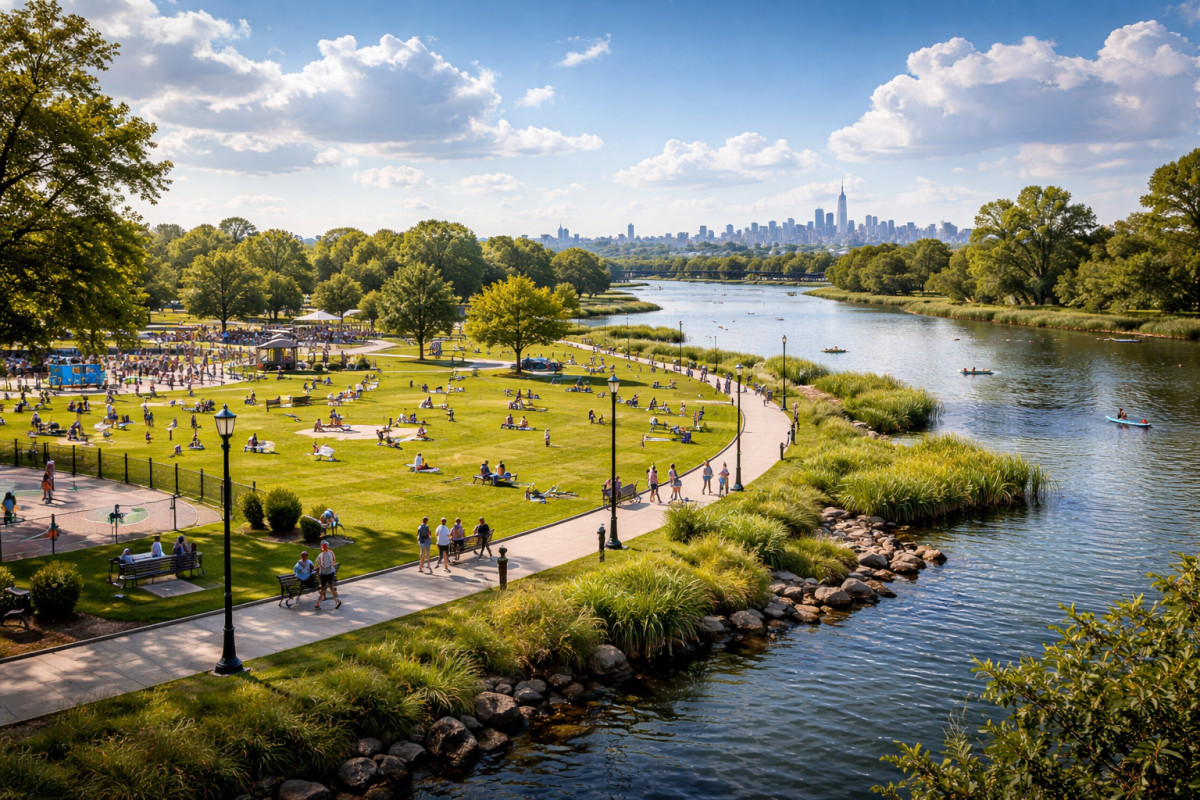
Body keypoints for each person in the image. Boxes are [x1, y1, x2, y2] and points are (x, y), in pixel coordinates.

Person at [313, 540, 341, 609]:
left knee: (328, 589)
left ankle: (337, 601)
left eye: (325, 546)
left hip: (329, 574)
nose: (324, 547)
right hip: (324, 574)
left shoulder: (329, 553)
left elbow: (329, 563)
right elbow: (318, 564)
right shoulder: (321, 555)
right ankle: (318, 604)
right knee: (324, 590)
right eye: (323, 546)